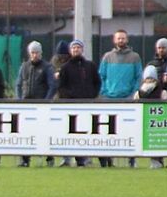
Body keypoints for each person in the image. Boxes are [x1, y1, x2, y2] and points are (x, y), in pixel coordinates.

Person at [98, 29, 142, 167]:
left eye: (123, 38)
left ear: (127, 40)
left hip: (127, 99)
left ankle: (131, 159)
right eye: (119, 38)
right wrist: (105, 92)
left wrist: (132, 93)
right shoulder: (107, 57)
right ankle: (108, 159)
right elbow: (101, 76)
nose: (121, 41)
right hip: (109, 98)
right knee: (108, 131)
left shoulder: (135, 57)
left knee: (128, 130)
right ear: (114, 40)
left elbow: (138, 77)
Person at [57, 39, 100, 167]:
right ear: (70, 50)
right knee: (69, 133)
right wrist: (70, 97)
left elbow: (97, 82)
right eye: (74, 48)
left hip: (86, 105)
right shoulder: (65, 67)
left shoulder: (90, 66)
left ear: (82, 50)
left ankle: (83, 159)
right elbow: (61, 87)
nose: (76, 50)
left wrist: (92, 95)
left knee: (85, 132)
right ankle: (67, 159)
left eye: (78, 48)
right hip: (71, 106)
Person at [14, 41, 56, 167]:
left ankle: (49, 158)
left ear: (40, 53)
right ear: (29, 53)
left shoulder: (47, 67)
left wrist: (46, 101)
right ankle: (25, 159)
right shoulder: (24, 66)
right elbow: (18, 84)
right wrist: (20, 99)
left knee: (45, 131)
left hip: (41, 105)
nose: (34, 55)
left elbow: (52, 86)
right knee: (26, 133)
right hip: (27, 105)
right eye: (32, 52)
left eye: (37, 52)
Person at [133, 65, 167, 168]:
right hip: (156, 126)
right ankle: (157, 161)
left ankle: (133, 162)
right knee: (157, 142)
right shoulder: (162, 92)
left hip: (141, 124)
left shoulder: (138, 93)